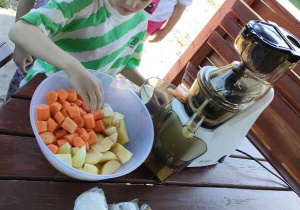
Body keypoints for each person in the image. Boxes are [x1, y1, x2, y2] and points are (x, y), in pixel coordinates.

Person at [8, 0, 152, 112]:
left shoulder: (140, 21)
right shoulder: (80, 3)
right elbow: (20, 29)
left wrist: (147, 86)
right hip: (42, 91)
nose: (132, 4)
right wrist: (73, 67)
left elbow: (124, 63)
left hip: (84, 101)